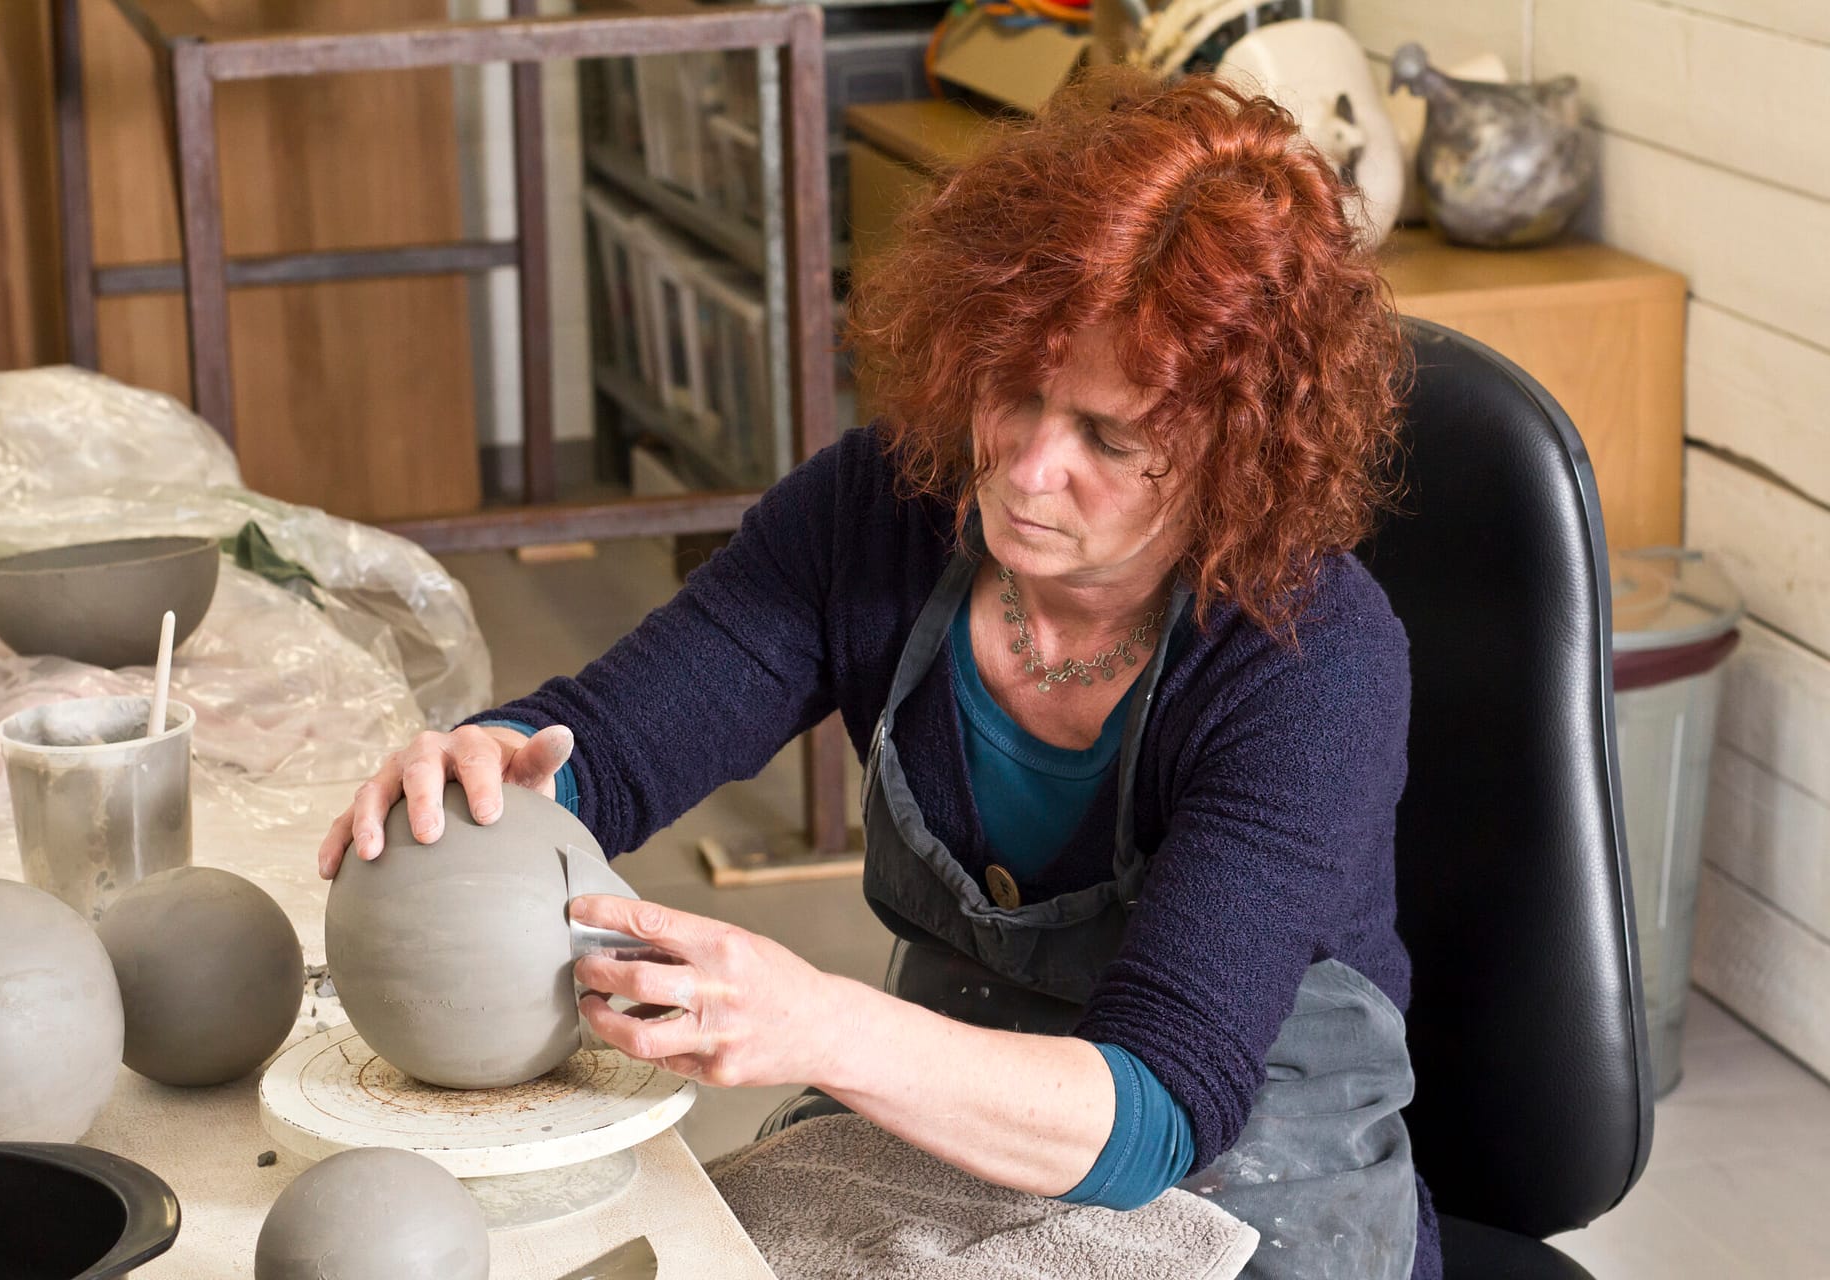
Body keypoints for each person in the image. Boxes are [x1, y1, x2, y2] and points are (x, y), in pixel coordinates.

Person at [319, 65, 1436, 1279]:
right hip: (943, 1127)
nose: (1027, 468)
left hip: (1250, 1184)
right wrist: (493, 765)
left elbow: (1162, 1106)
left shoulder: (1308, 659)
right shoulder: (884, 509)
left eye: (1109, 437)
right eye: (1015, 389)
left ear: (1238, 453)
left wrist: (816, 1022)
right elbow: (613, 745)